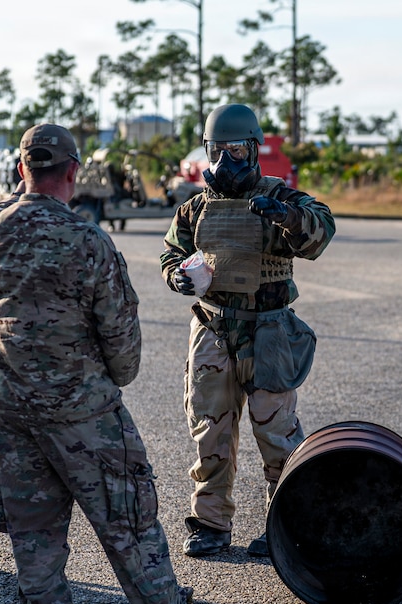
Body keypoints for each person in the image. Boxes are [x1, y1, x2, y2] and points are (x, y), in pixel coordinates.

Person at [0, 123, 248, 604]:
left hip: (12, 406)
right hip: (81, 408)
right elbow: (123, 351)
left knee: (33, 523)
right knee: (129, 515)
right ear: (73, 172)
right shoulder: (88, 240)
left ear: (22, 170)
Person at [160, 104, 335, 558]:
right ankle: (210, 523)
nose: (225, 162)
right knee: (210, 430)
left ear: (254, 150)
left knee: (277, 432)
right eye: (216, 151)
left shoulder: (284, 199)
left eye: (235, 150)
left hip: (268, 333)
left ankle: (287, 526)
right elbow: (171, 253)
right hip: (213, 328)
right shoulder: (196, 207)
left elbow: (321, 232)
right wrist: (177, 275)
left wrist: (285, 216)